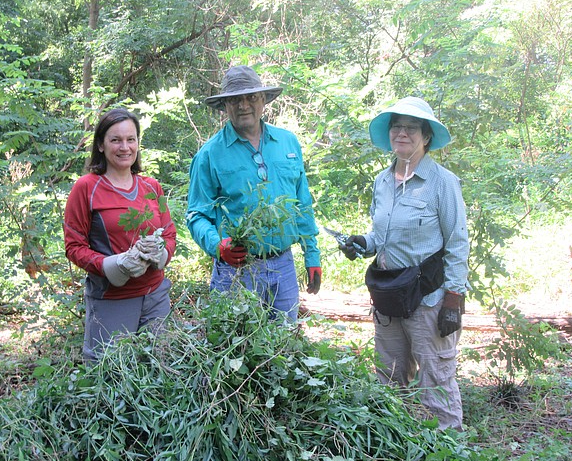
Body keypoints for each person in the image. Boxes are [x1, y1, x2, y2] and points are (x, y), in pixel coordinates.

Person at [340, 97, 469, 430]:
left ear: (426, 136)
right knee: (389, 376)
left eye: (411, 127)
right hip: (389, 296)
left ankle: (448, 452)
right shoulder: (382, 182)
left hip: (428, 299)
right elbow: (381, 235)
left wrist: (453, 299)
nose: (402, 133)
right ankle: (399, 448)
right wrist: (362, 243)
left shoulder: (443, 183)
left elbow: (457, 242)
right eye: (396, 126)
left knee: (436, 378)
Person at [186, 65, 321, 322]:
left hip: (283, 267)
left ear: (263, 100)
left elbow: (302, 204)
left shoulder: (288, 143)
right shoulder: (209, 155)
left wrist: (312, 254)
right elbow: (196, 215)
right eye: (235, 99)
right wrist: (218, 246)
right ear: (225, 105)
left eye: (251, 97)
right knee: (235, 350)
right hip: (236, 271)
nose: (243, 105)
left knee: (283, 347)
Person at [63, 108, 177, 362]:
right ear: (101, 146)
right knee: (110, 375)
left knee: (159, 371)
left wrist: (161, 253)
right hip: (112, 299)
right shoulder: (87, 188)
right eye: (115, 140)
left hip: (156, 295)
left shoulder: (151, 187)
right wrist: (112, 264)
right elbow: (73, 246)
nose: (124, 147)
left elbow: (169, 233)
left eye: (131, 139)